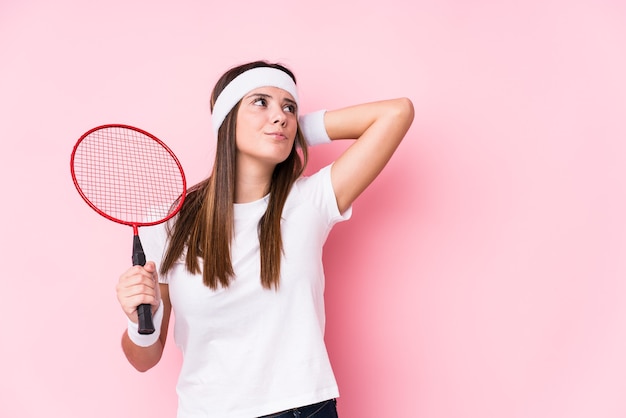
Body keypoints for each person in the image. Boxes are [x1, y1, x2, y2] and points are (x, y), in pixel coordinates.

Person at [115, 60, 414, 417]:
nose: (281, 115)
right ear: (227, 119)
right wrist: (138, 322)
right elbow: (145, 359)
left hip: (302, 408)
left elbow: (397, 113)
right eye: (260, 102)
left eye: (290, 107)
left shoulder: (310, 202)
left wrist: (293, 130)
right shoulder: (168, 223)